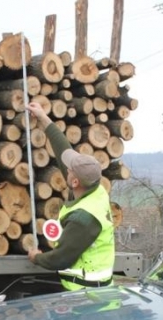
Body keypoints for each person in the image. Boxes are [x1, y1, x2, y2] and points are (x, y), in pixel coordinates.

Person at [25, 101, 116, 291]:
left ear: (74, 182)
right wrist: (43, 117)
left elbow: (61, 258)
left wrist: (36, 257)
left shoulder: (84, 217)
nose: (65, 168)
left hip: (87, 296)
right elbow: (62, 150)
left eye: (69, 170)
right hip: (89, 291)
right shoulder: (95, 188)